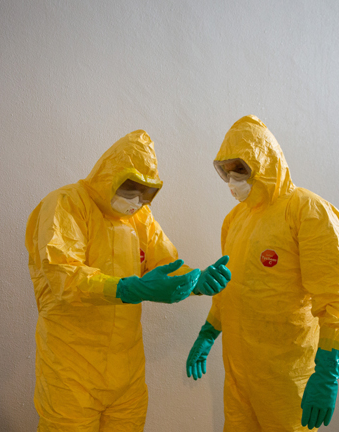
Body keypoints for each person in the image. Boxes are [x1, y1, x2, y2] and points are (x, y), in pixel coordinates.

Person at [25, 129, 231, 431]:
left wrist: (196, 281)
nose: (137, 200)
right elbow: (63, 274)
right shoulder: (67, 203)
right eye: (131, 187)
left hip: (127, 373)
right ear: (110, 175)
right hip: (70, 370)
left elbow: (165, 264)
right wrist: (128, 287)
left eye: (146, 192)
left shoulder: (139, 218)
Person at [186, 115, 339, 431]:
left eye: (241, 170)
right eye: (227, 172)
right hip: (238, 377)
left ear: (264, 163)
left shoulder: (308, 211)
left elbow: (338, 298)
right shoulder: (234, 220)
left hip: (287, 379)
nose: (233, 180)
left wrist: (327, 372)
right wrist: (208, 332)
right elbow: (231, 287)